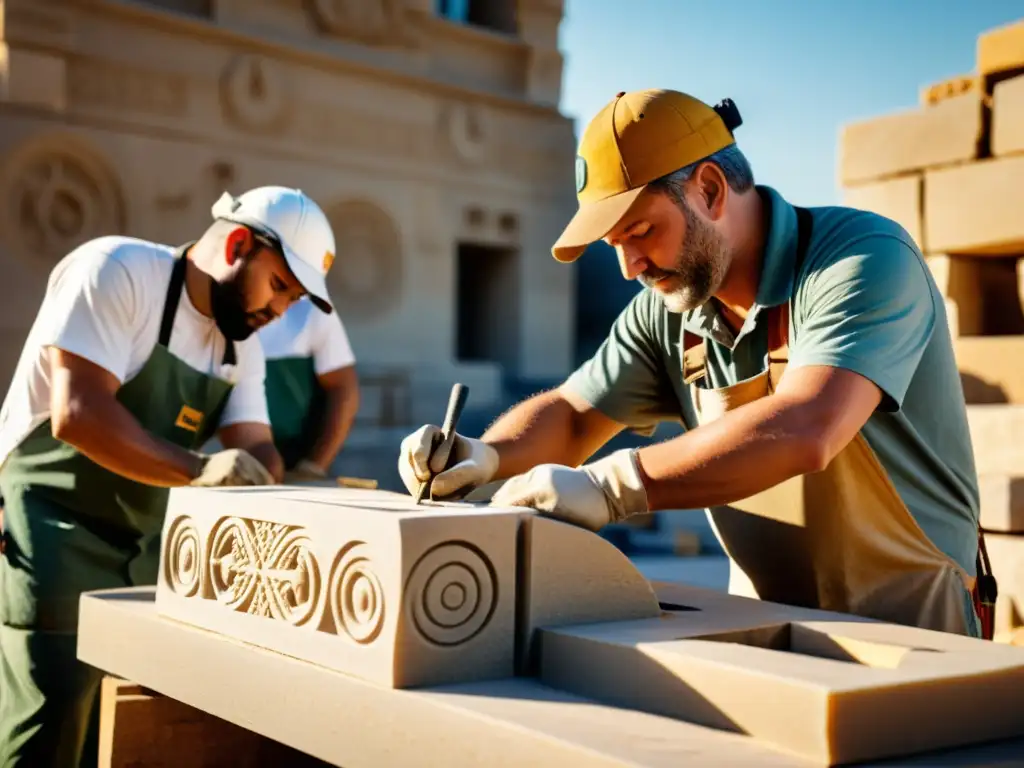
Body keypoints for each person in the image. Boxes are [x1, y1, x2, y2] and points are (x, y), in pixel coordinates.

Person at [399, 88, 993, 641]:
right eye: (614, 246)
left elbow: (809, 426)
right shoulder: (668, 310)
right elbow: (575, 415)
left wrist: (616, 485)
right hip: (763, 622)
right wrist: (486, 455)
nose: (630, 265)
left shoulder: (861, 261)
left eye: (640, 231)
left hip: (913, 629)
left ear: (709, 190)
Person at [0, 185, 338, 766]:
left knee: (124, 732)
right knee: (47, 730)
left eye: (293, 299)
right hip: (48, 530)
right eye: (280, 285)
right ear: (237, 243)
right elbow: (77, 414)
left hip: (142, 548)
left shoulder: (239, 345)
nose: (280, 311)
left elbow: (255, 443)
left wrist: (266, 479)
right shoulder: (117, 271)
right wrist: (202, 470)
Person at [257, 295, 360, 481]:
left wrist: (315, 465)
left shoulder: (313, 309)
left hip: (295, 459)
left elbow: (343, 388)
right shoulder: (217, 309)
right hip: (236, 459)